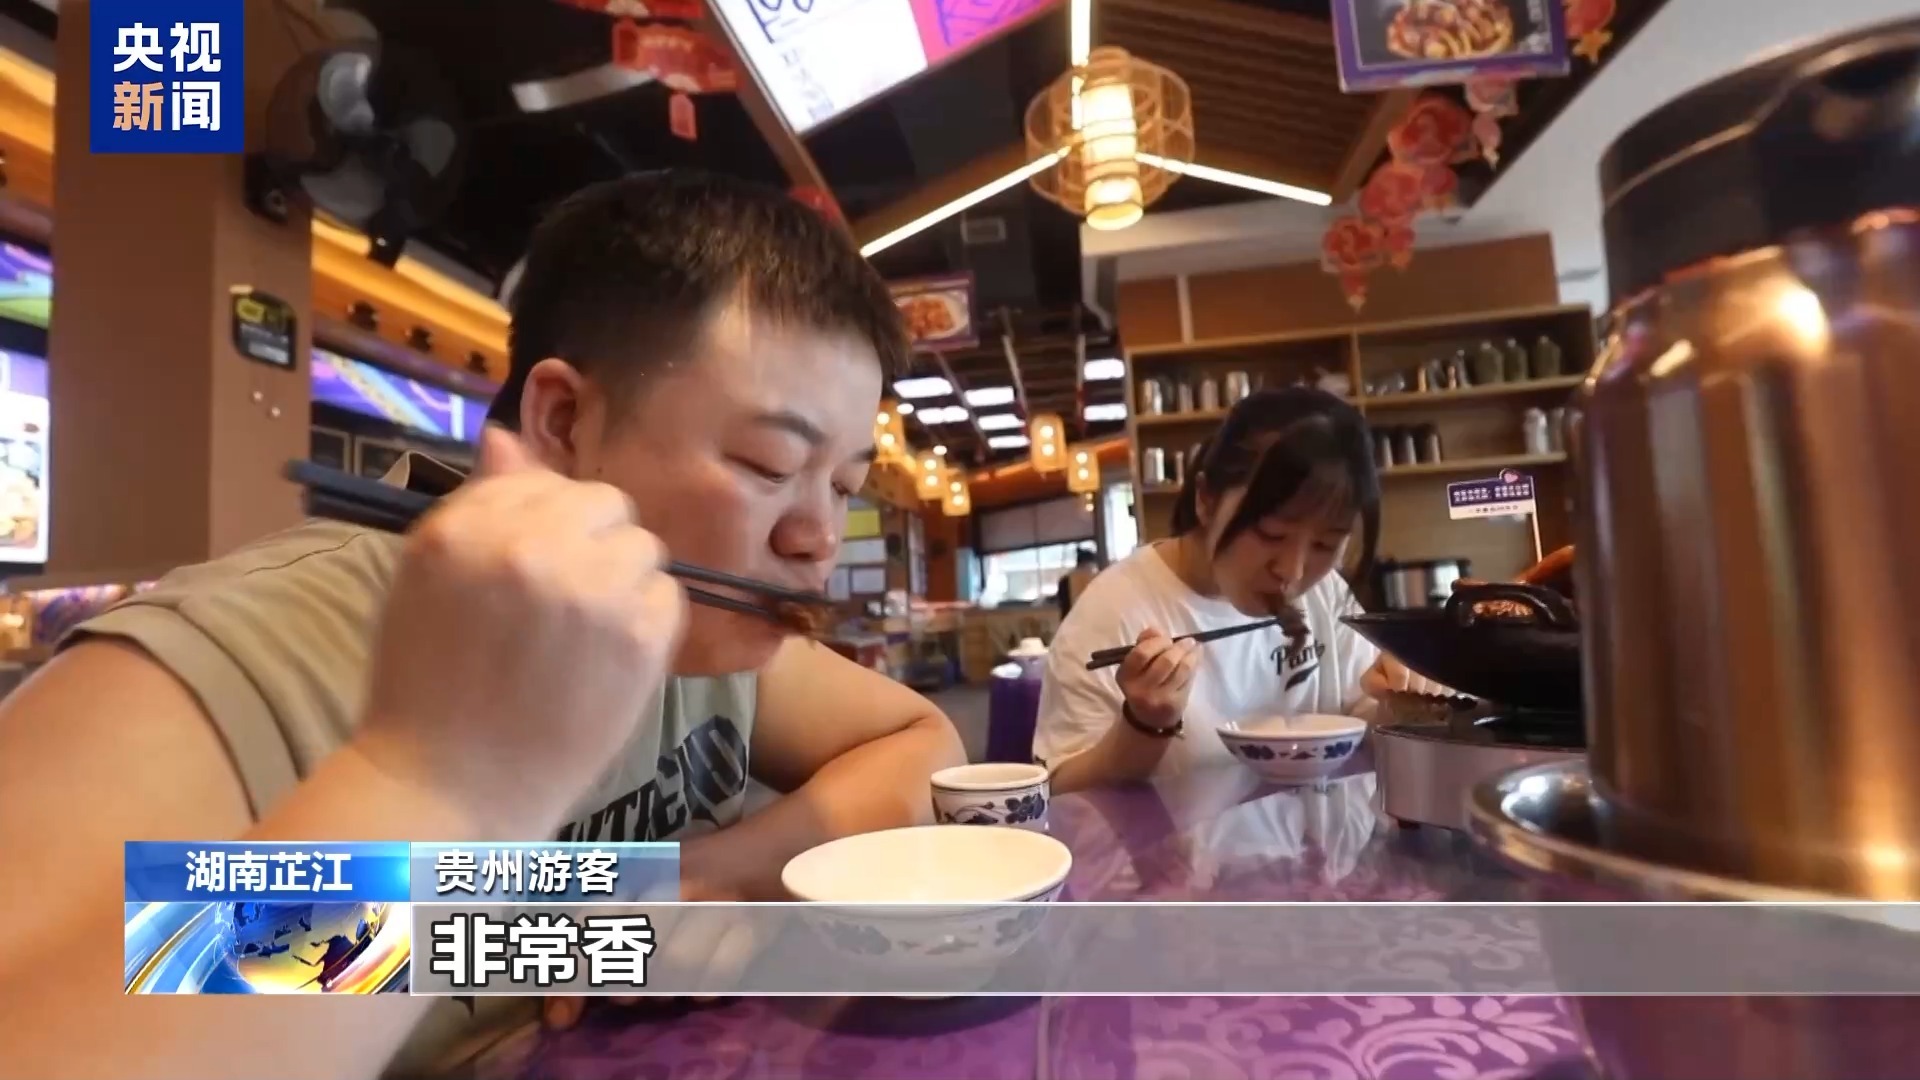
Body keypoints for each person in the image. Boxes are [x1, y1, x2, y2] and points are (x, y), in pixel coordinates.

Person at [0, 171, 965, 1080]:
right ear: (564, 421)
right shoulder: (245, 651)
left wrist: (685, 880)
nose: (815, 537)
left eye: (844, 486)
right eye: (767, 466)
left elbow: (922, 747)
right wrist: (438, 779)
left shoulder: (687, 630)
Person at [1035, 387, 1443, 794]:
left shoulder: (1326, 590)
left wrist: (1397, 702)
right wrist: (1143, 726)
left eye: (1324, 544)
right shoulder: (1112, 612)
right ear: (1206, 500)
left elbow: (1360, 712)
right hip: (1177, 839)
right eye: (1270, 534)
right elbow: (1059, 792)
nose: (1292, 571)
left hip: (1317, 836)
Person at [1054, 547, 1100, 617]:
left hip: (1070, 620)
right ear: (1091, 563)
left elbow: (1062, 605)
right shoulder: (1096, 579)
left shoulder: (1065, 580)